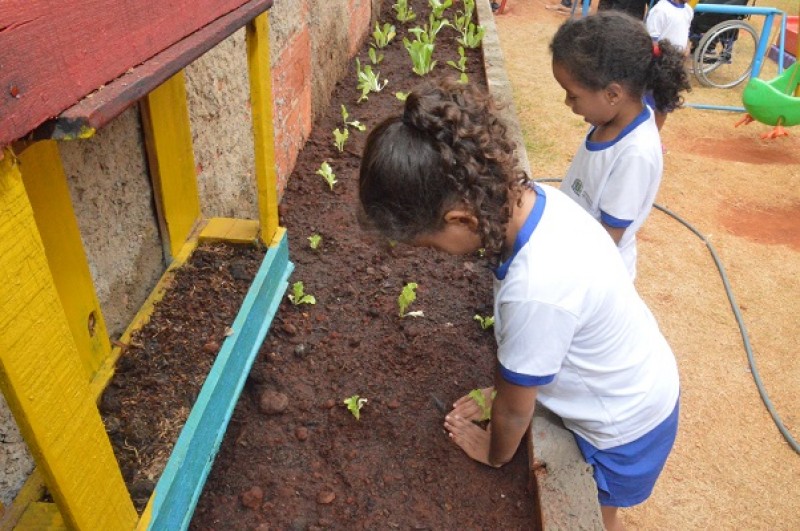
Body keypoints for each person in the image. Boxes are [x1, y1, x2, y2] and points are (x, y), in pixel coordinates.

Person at [358, 79, 680, 531]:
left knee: (597, 516)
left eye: (430, 245)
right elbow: (535, 361)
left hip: (625, 429)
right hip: (637, 380)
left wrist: (493, 451)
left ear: (461, 219)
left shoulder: (536, 288)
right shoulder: (539, 202)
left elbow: (515, 410)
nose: (435, 256)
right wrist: (500, 392)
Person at [550, 11, 690, 279]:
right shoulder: (609, 119)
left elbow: (608, 237)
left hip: (593, 273)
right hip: (572, 252)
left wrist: (556, 259)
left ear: (613, 94)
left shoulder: (634, 154)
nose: (568, 104)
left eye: (572, 95)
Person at [646, 0, 695, 129]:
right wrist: (666, 56)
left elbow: (686, 32)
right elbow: (651, 41)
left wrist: (687, 47)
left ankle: (655, 138)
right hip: (658, 66)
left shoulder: (688, 10)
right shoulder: (660, 10)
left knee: (664, 106)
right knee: (648, 105)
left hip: (675, 68)